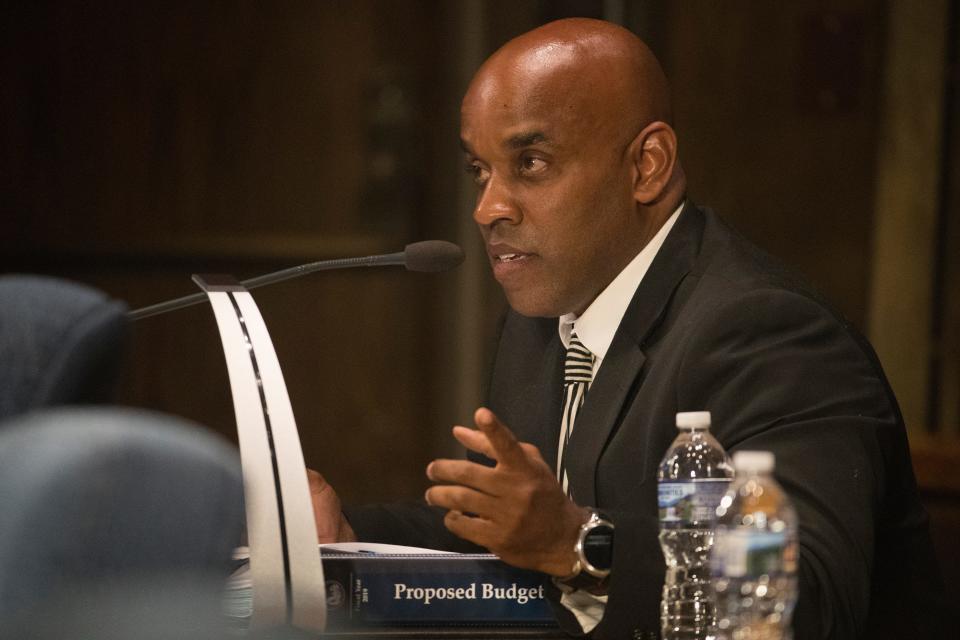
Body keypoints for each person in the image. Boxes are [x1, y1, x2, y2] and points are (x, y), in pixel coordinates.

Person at [308, 17, 946, 639]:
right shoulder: (542, 322)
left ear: (648, 165)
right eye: (480, 170)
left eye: (530, 162)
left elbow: (806, 603)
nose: (488, 207)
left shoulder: (768, 333)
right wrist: (343, 539)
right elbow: (508, 536)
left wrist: (578, 543)